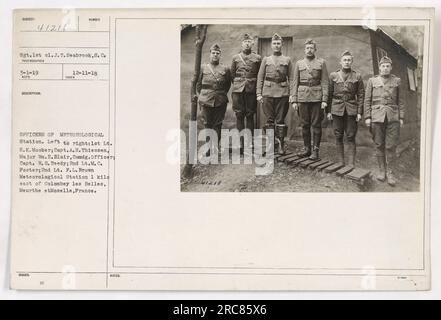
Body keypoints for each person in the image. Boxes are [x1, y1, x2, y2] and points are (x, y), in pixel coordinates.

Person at [364, 56, 405, 186]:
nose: (385, 68)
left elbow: (401, 101)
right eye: (383, 66)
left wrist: (401, 117)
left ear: (391, 68)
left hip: (393, 117)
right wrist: (368, 117)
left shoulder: (397, 81)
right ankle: (382, 171)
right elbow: (367, 100)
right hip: (376, 117)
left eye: (388, 66)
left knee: (391, 146)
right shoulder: (372, 81)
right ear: (379, 67)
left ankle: (390, 173)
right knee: (379, 144)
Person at [256, 33, 293, 155]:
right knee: (270, 120)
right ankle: (271, 146)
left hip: (282, 93)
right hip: (267, 93)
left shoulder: (287, 60)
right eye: (274, 43)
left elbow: (292, 78)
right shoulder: (266, 60)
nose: (276, 46)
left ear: (281, 45)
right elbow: (260, 77)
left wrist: (292, 94)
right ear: (271, 45)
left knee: (281, 120)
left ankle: (281, 145)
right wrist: (258, 94)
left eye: (278, 43)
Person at [291, 39, 329, 160]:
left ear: (315, 49)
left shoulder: (321, 63)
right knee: (304, 124)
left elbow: (325, 82)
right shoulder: (299, 63)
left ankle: (316, 150)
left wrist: (324, 99)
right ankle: (307, 149)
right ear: (304, 49)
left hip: (317, 98)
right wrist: (294, 100)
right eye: (307, 48)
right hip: (302, 97)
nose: (309, 50)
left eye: (311, 48)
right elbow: (294, 82)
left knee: (316, 125)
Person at [327, 50, 365, 168]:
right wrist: (328, 111)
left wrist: (359, 112)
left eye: (349, 60)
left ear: (352, 61)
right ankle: (340, 161)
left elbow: (361, 95)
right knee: (338, 135)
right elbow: (329, 94)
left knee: (350, 135)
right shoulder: (333, 76)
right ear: (340, 62)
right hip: (336, 108)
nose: (347, 62)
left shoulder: (357, 76)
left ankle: (351, 163)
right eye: (345, 60)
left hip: (351, 109)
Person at [196, 43, 232, 155]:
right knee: (207, 123)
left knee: (218, 124)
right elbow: (198, 84)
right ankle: (208, 148)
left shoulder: (225, 68)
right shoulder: (203, 67)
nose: (215, 55)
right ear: (210, 54)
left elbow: (227, 85)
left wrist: (220, 94)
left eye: (217, 53)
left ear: (220, 55)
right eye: (213, 53)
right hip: (205, 100)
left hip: (220, 100)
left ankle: (215, 147)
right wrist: (203, 95)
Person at [231, 33, 262, 154]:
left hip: (251, 90)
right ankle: (240, 144)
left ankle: (249, 144)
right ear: (242, 44)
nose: (247, 44)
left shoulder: (257, 58)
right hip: (238, 90)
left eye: (249, 41)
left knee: (250, 115)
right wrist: (239, 83)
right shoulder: (235, 58)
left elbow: (259, 75)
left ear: (252, 44)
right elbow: (232, 75)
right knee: (239, 116)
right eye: (245, 42)